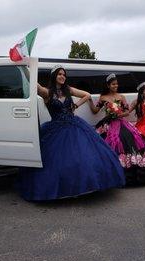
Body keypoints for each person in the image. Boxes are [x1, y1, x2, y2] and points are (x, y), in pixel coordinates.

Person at [18, 66, 125, 201]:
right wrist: (25, 67)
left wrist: (76, 105)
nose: (62, 76)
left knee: (83, 157)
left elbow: (87, 95)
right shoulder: (48, 93)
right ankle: (64, 188)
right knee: (57, 162)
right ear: (54, 77)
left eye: (64, 74)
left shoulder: (68, 90)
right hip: (56, 129)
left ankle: (85, 186)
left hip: (74, 126)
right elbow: (37, 86)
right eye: (59, 74)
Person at [88, 74, 145, 185]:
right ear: (108, 85)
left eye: (116, 84)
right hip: (108, 124)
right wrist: (90, 100)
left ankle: (133, 170)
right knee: (110, 143)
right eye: (113, 84)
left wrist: (119, 113)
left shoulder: (121, 97)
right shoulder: (103, 98)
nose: (116, 86)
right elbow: (95, 111)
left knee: (130, 141)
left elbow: (127, 111)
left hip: (121, 122)